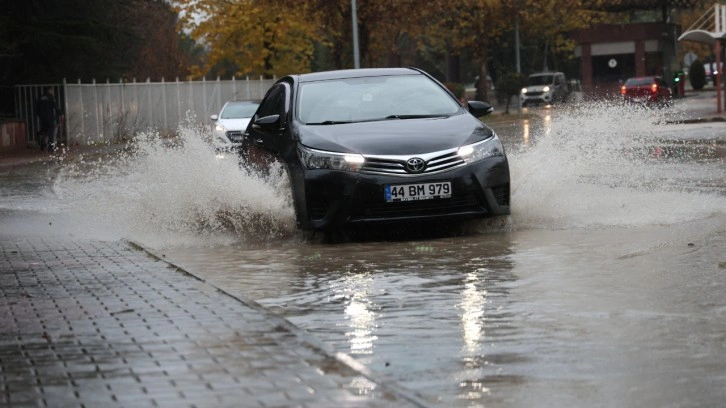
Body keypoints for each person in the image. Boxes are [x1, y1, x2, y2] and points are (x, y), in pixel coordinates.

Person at [36, 87, 62, 152]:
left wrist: (39, 115)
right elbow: (55, 106)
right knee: (51, 133)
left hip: (42, 118)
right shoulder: (51, 97)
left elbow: (37, 108)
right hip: (50, 117)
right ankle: (50, 147)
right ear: (49, 90)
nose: (52, 92)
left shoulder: (40, 97)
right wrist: (60, 113)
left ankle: (42, 145)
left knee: (44, 132)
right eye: (52, 90)